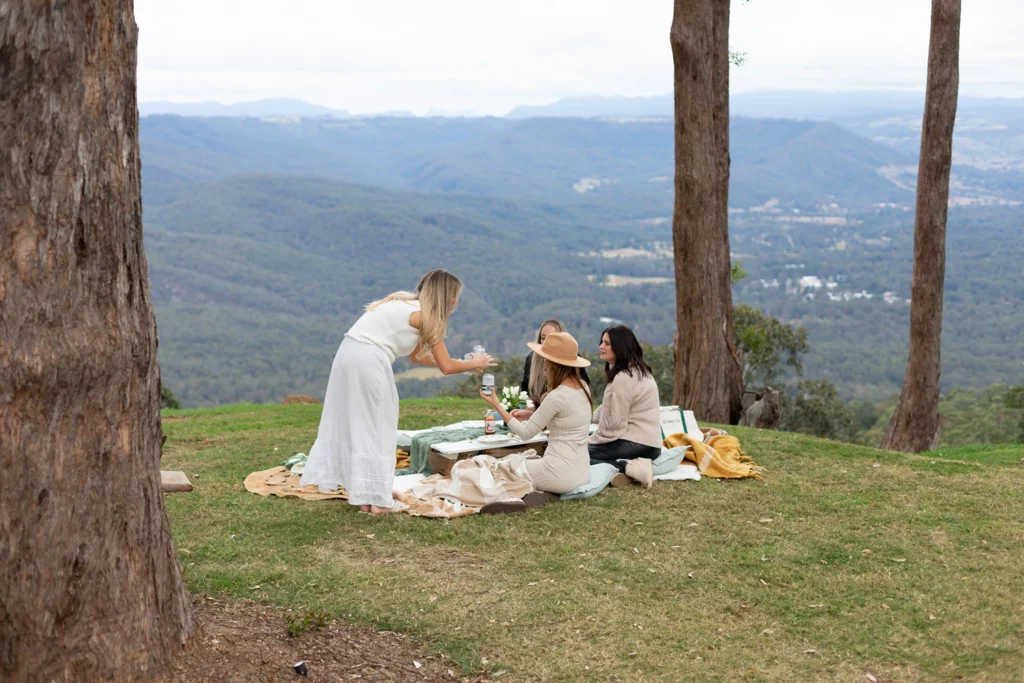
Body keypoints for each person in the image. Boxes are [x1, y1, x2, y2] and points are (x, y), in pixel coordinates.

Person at [300, 270, 495, 514]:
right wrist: (477, 362)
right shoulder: (428, 317)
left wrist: (463, 364)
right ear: (448, 296)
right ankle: (379, 502)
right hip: (369, 361)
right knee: (379, 428)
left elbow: (418, 357)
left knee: (362, 427)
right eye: (456, 295)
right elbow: (446, 367)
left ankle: (368, 496)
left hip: (348, 356)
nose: (457, 301)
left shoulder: (403, 303)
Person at [480, 332, 592, 496]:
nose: (543, 365)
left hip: (558, 474)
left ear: (554, 364)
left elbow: (526, 434)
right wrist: (530, 415)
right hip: (582, 472)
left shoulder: (557, 396)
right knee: (519, 462)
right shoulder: (583, 387)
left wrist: (496, 404)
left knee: (502, 466)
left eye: (545, 359)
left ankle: (523, 495)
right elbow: (566, 420)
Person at [588, 326, 662, 488]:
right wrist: (590, 417)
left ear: (620, 346)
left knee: (577, 454)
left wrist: (589, 440)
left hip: (635, 444)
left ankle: (626, 468)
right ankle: (623, 470)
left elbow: (612, 427)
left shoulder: (623, 378)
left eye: (607, 343)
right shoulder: (638, 371)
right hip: (653, 445)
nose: (601, 346)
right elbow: (609, 407)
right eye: (601, 342)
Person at [519, 319, 591, 410]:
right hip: (537, 411)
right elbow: (526, 389)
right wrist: (531, 407)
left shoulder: (573, 361)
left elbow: (583, 388)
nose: (545, 342)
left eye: (550, 338)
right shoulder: (531, 358)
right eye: (543, 338)